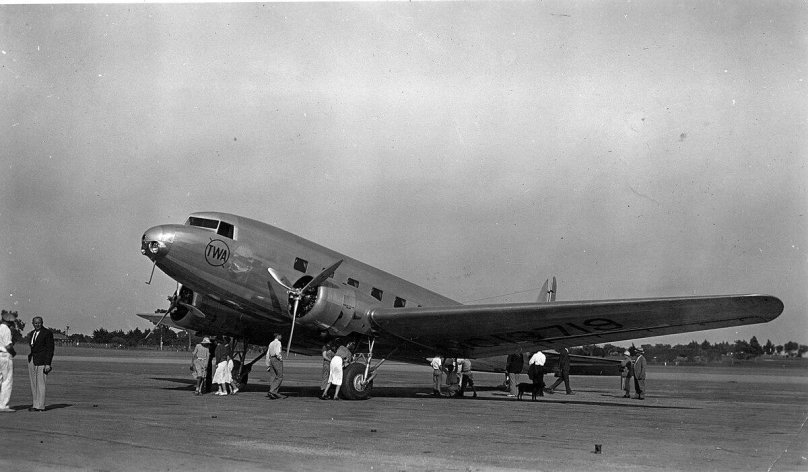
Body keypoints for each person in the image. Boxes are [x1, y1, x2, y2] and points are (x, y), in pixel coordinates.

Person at [27, 316, 54, 411]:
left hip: (42, 361)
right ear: (32, 323)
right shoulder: (32, 333)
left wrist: (48, 364)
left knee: (41, 384)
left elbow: (50, 349)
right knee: (33, 384)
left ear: (42, 323)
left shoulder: (47, 333)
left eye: (39, 322)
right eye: (35, 323)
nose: (37, 324)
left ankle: (41, 406)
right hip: (32, 360)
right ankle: (35, 404)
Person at [0, 311, 18, 412]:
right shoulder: (6, 330)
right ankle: (3, 405)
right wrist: (13, 353)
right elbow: (8, 345)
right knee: (6, 381)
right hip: (4, 355)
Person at [265, 333, 285, 399]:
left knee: (273, 376)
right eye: (280, 335)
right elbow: (277, 352)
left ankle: (273, 392)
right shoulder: (278, 343)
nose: (281, 337)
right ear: (278, 336)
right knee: (280, 376)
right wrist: (280, 358)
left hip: (271, 359)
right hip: (276, 359)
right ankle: (272, 391)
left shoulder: (271, 343)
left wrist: (268, 364)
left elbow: (268, 354)